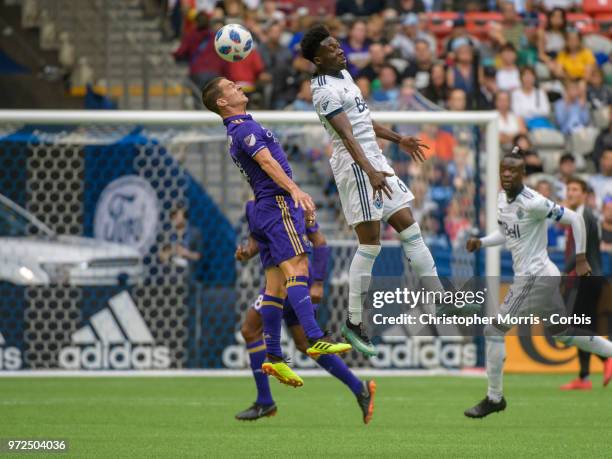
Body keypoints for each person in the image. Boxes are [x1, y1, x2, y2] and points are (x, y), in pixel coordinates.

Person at [300, 25, 443, 356]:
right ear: (317, 59)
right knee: (370, 246)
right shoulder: (322, 90)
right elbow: (348, 136)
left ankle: (440, 300)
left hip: (375, 161)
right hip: (357, 168)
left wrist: (398, 139)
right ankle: (352, 321)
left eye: (339, 45)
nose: (340, 51)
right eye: (333, 49)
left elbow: (363, 121)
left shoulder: (344, 76)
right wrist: (370, 172)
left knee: (411, 230)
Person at [200, 77, 351, 387]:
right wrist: (295, 189)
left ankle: (273, 356)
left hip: (265, 207)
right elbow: (266, 161)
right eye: (231, 86)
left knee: (274, 286)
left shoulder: (239, 128)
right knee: (298, 267)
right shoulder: (244, 130)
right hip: (278, 204)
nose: (240, 85)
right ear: (222, 102)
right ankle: (314, 336)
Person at [464, 148, 612, 418]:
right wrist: (482, 243)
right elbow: (505, 232)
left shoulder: (534, 202)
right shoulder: (501, 199)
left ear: (523, 174)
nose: (507, 174)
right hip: (543, 277)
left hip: (535, 277)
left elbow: (575, 218)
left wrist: (580, 257)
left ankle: (494, 397)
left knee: (494, 329)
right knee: (564, 333)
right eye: (503, 170)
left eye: (513, 170)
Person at [235, 203, 376, 423]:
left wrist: (318, 282)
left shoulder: (289, 202)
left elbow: (319, 242)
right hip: (280, 280)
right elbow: (257, 242)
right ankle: (359, 388)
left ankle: (265, 400)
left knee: (250, 329)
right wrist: (246, 252)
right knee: (304, 343)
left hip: (292, 281)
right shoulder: (252, 207)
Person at [559, 178, 612, 390]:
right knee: (582, 327)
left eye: (574, 189)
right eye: (568, 189)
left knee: (577, 328)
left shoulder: (583, 215)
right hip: (588, 278)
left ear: (584, 194)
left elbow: (579, 253)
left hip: (586, 279)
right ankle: (585, 376)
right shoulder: (581, 214)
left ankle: (605, 358)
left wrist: (562, 274)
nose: (569, 193)